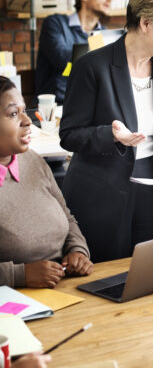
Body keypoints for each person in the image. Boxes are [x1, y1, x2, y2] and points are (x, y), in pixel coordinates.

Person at [59, 0, 153, 263]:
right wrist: (109, 135)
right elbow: (69, 134)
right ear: (146, 23)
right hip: (101, 192)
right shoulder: (91, 66)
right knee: (104, 279)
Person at [0, 76, 92, 288]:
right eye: (14, 114)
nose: (27, 120)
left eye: (24, 110)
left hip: (64, 287)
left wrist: (77, 251)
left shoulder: (32, 160)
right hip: (15, 303)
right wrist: (20, 274)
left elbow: (67, 218)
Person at [35, 0, 111, 104]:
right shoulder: (55, 23)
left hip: (91, 105)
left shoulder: (103, 33)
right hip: (57, 106)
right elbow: (63, 62)